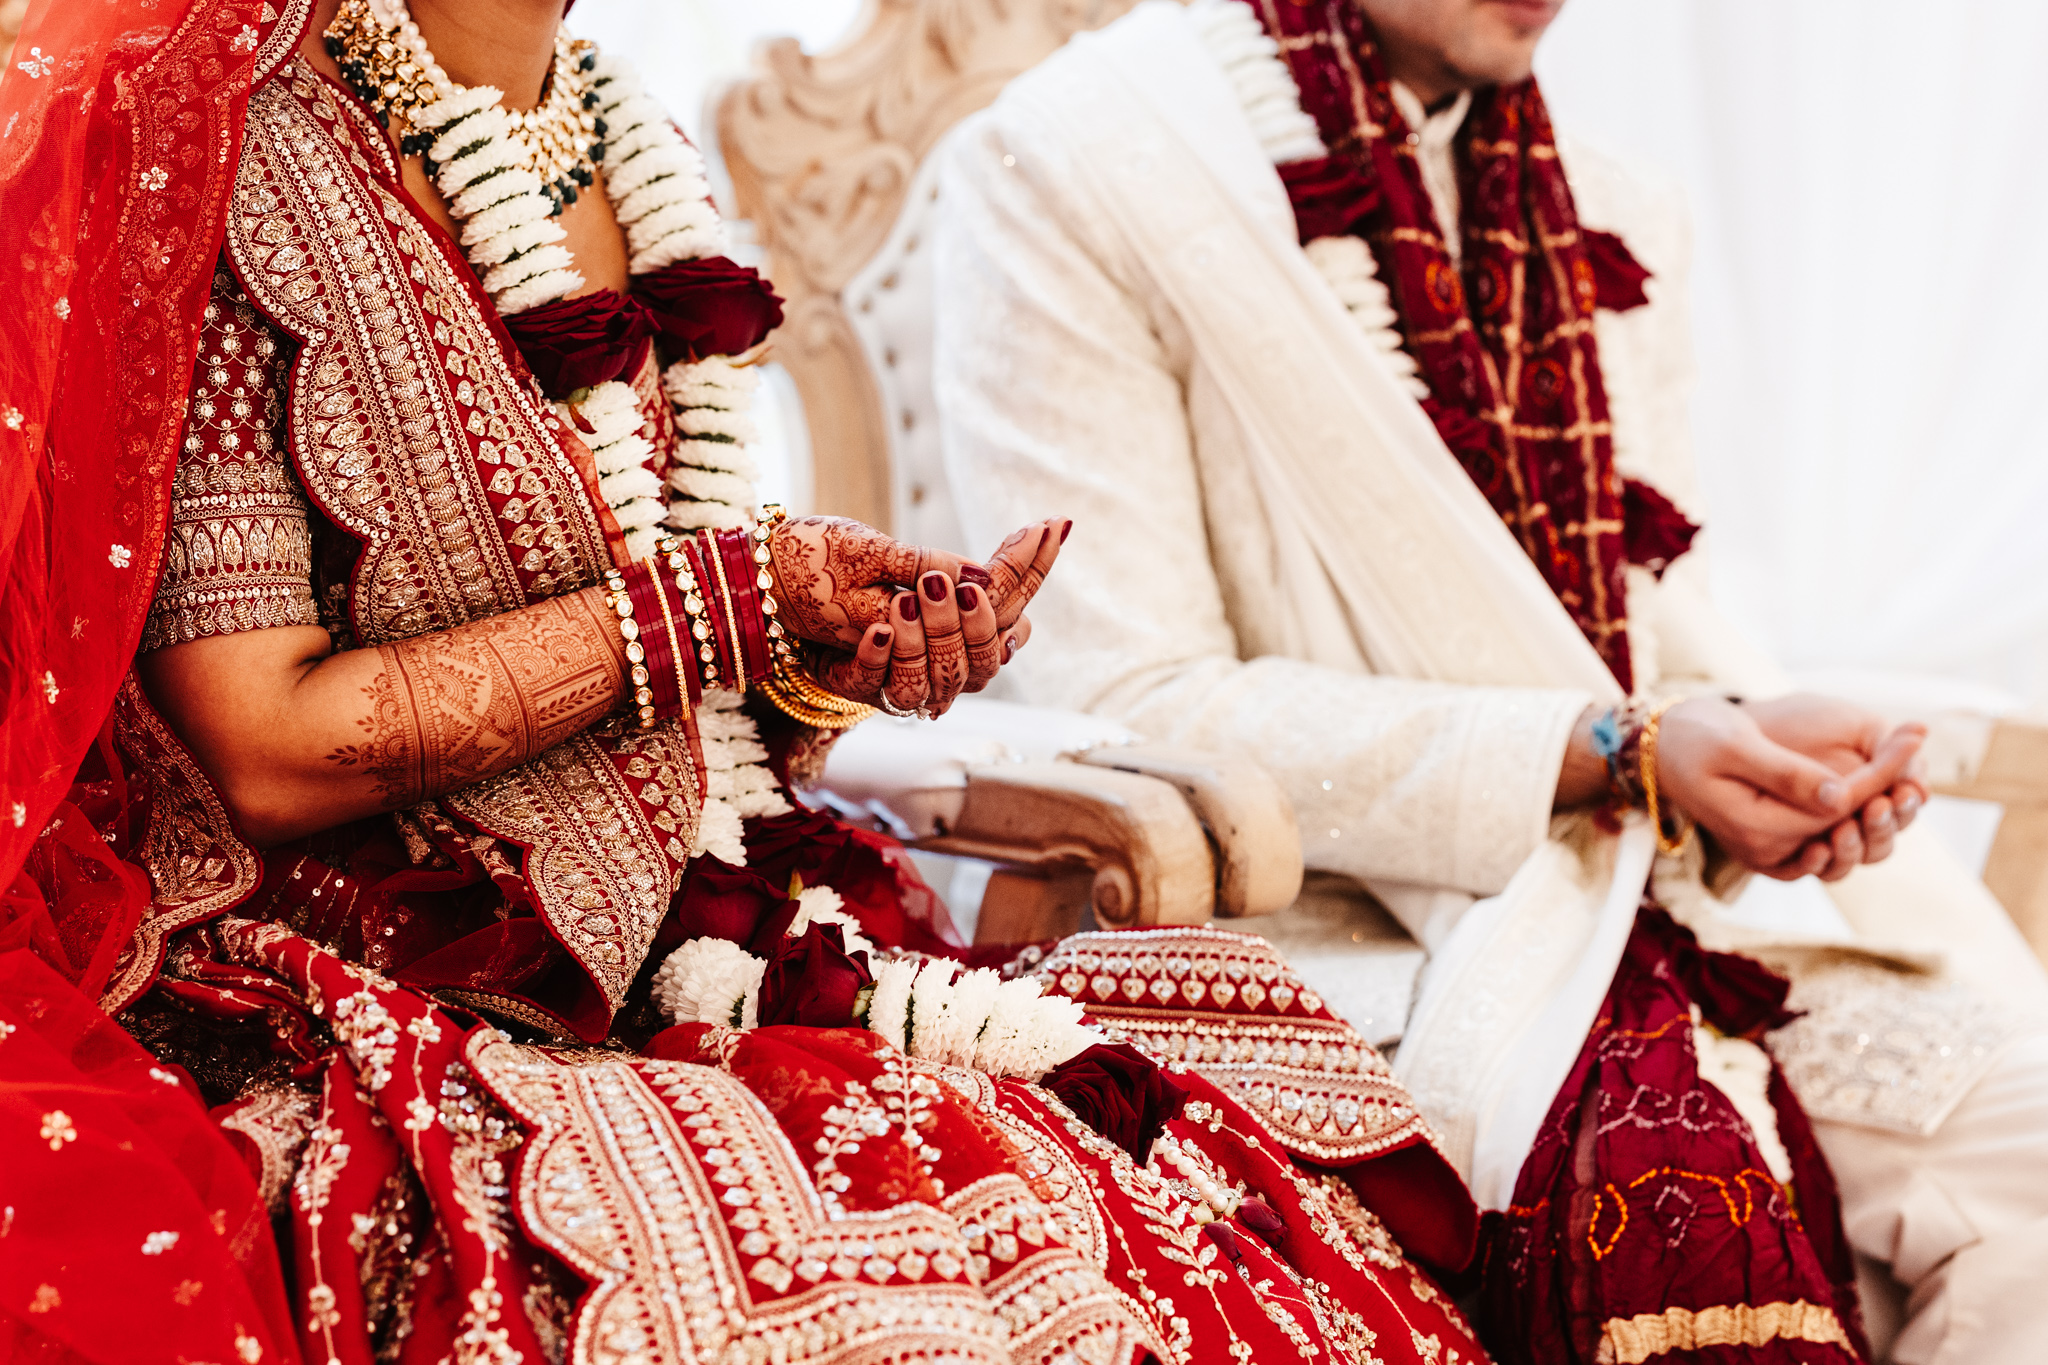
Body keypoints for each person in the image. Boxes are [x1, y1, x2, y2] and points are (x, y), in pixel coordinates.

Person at [0, 1, 1490, 1361]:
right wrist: (725, 604)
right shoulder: (219, 142)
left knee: (1200, 1172)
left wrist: (817, 661)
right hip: (369, 983)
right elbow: (261, 744)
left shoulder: (615, 129)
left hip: (704, 939)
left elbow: (692, 698)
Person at [930, 0, 2048, 1359]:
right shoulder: (1084, 165)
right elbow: (1130, 704)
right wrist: (1610, 749)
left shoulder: (1608, 205)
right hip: (1333, 938)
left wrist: (1765, 753)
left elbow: (1646, 628)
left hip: (1653, 897)